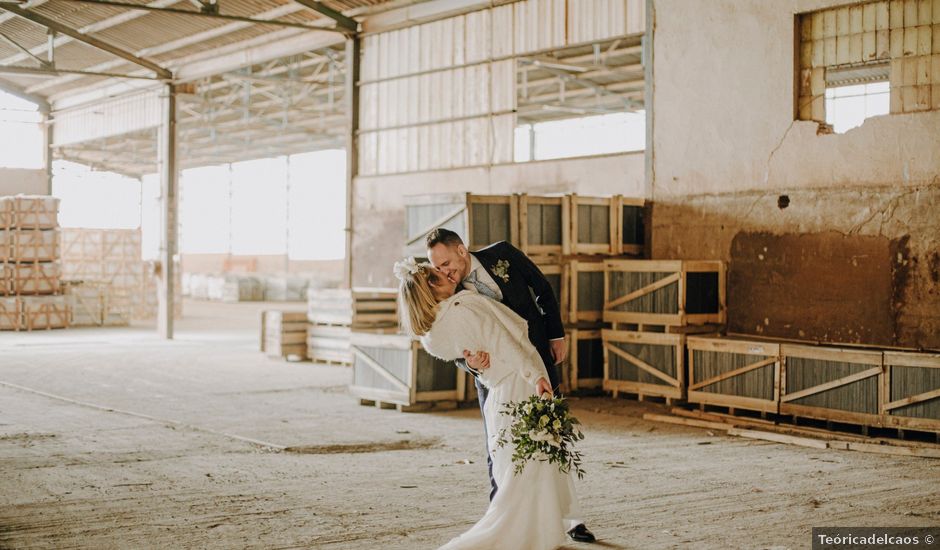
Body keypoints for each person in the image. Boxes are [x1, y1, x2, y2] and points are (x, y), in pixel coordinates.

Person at [395, 258, 582, 550]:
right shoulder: (458, 310)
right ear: (431, 287)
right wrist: (534, 375)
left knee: (518, 462)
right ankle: (527, 530)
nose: (445, 273)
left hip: (501, 390)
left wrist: (477, 364)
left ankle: (539, 527)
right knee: (530, 460)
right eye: (437, 273)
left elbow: (480, 349)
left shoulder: (436, 330)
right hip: (519, 381)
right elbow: (502, 340)